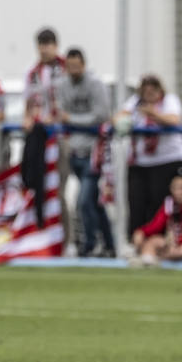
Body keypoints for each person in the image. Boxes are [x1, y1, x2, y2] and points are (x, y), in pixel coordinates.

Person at [54, 47, 114, 257]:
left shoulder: (96, 84)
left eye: (76, 66)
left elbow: (102, 115)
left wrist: (72, 120)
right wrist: (69, 120)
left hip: (94, 151)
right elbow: (60, 113)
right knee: (95, 202)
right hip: (73, 150)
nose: (73, 70)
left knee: (84, 201)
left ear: (84, 65)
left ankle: (89, 245)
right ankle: (110, 244)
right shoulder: (61, 85)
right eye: (69, 66)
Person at [118, 74, 182, 237]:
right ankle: (136, 240)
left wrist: (153, 114)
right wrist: (122, 122)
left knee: (158, 204)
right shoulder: (135, 102)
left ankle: (156, 241)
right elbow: (120, 115)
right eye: (145, 91)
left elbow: (174, 119)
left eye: (152, 90)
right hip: (140, 162)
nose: (148, 94)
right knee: (136, 203)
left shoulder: (169, 101)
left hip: (166, 161)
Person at [22, 28, 66, 230]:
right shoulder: (33, 73)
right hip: (40, 135)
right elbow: (29, 101)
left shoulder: (66, 69)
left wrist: (56, 117)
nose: (44, 49)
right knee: (35, 182)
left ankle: (64, 239)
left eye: (48, 44)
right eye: (41, 45)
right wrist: (27, 117)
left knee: (59, 190)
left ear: (56, 46)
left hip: (61, 136)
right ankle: (39, 229)